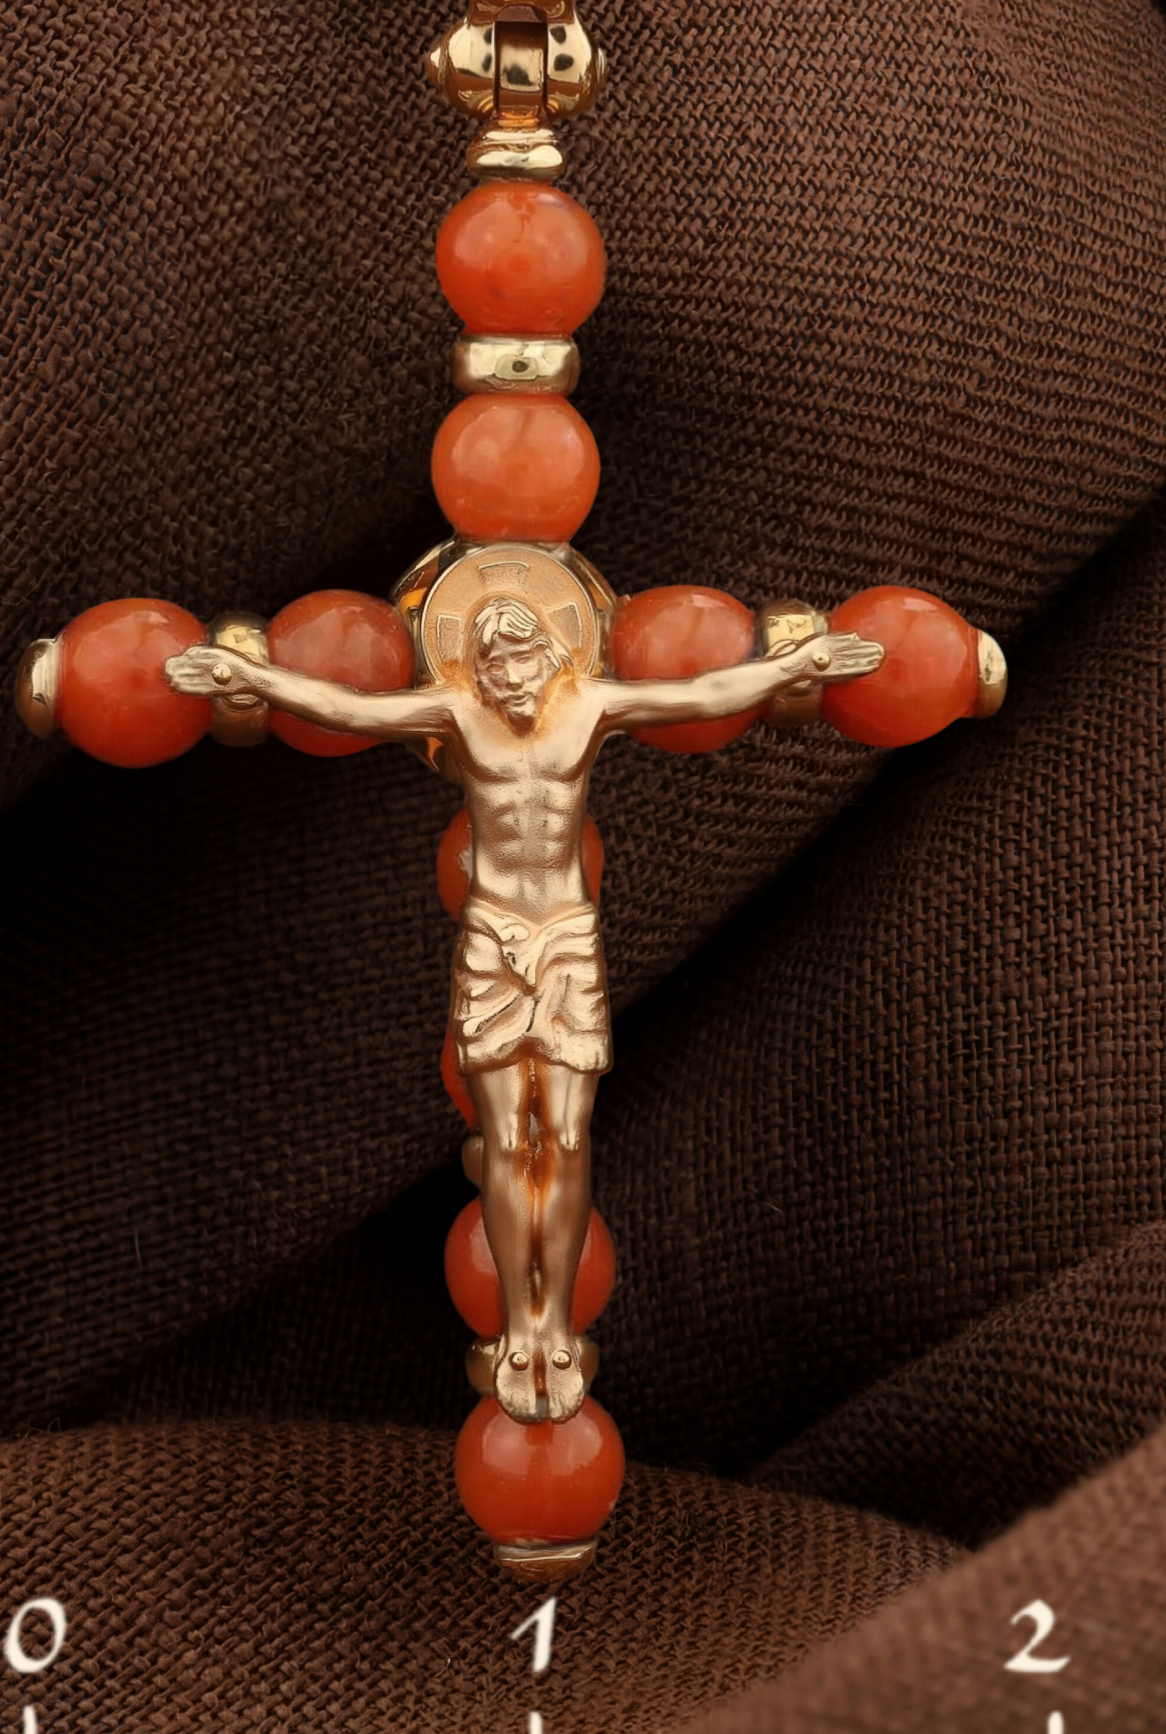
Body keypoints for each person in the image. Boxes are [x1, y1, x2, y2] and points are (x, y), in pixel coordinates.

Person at [168, 592, 882, 1420]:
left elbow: (701, 694)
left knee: (568, 1140)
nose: (508, 679)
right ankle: (520, 1325)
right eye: (492, 666)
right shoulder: (458, 715)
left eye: (521, 662)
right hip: (495, 943)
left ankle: (554, 1323)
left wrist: (796, 667)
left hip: (567, 944)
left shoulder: (589, 705)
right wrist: (253, 677)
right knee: (509, 1140)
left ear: (550, 656)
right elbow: (351, 708)